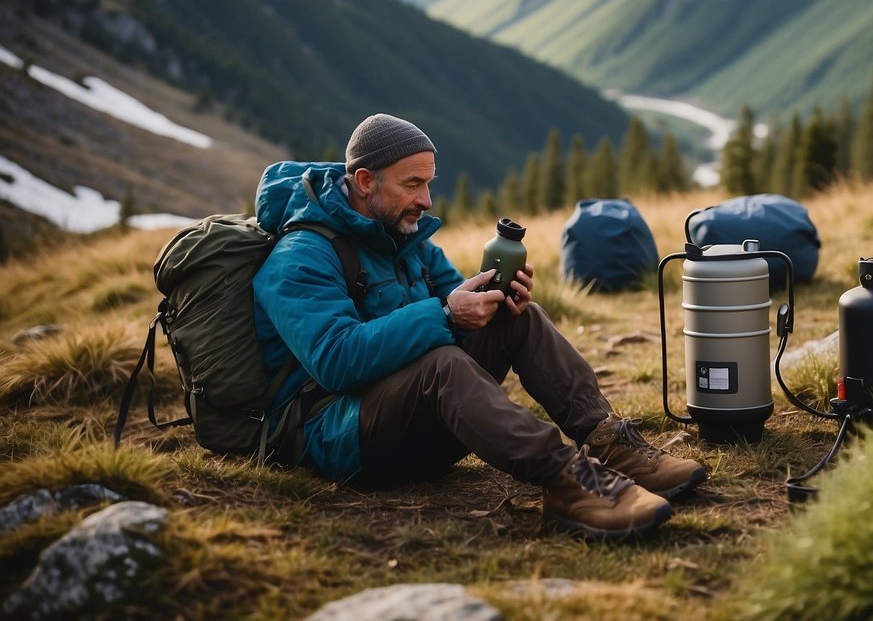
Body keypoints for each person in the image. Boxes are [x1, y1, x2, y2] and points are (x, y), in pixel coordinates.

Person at [252, 113, 707, 539]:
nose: (426, 200)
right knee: (442, 363)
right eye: (412, 184)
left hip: (413, 424)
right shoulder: (301, 256)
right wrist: (447, 315)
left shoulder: (406, 238)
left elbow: (462, 309)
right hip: (339, 438)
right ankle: (568, 481)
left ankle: (616, 447)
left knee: (518, 318)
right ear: (366, 180)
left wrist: (494, 301)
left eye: (429, 184)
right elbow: (336, 361)